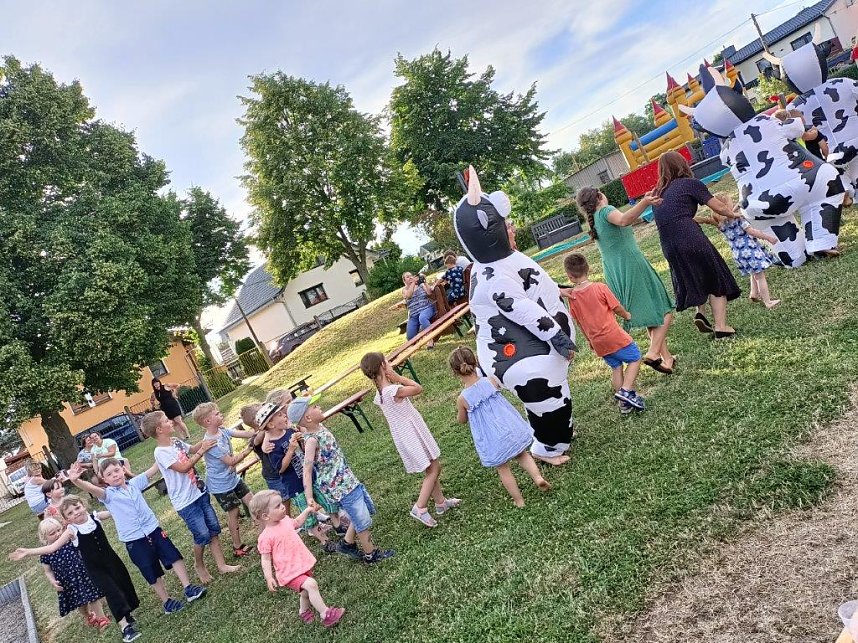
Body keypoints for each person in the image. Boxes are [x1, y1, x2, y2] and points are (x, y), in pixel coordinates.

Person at [67, 459, 208, 614]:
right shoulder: (108, 495)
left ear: (123, 470)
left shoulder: (135, 483)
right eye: (109, 474)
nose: (114, 475)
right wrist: (76, 480)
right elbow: (92, 489)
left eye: (116, 470)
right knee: (150, 569)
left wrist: (162, 452)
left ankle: (188, 588)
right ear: (104, 480)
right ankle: (167, 602)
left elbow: (154, 468)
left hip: (153, 529)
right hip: (134, 539)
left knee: (174, 556)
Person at [10, 495, 142, 642]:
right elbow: (52, 547)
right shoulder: (72, 530)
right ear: (67, 519)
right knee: (112, 592)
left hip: (112, 562)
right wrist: (28, 552)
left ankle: (127, 614)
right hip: (95, 570)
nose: (76, 513)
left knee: (123, 586)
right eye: (70, 513)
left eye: (77, 508)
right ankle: (125, 627)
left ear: (83, 505)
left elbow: (113, 511)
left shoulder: (95, 517)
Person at [575, 186, 676, 374]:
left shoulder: (593, 221)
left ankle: (666, 358)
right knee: (664, 308)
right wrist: (645, 202)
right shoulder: (605, 211)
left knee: (650, 313)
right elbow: (624, 220)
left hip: (615, 272)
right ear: (599, 196)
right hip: (632, 266)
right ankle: (653, 353)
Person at [287, 396, 395, 564]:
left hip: (347, 479)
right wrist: (309, 498)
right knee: (361, 518)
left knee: (360, 509)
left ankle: (347, 543)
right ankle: (370, 554)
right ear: (308, 418)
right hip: (339, 487)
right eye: (314, 406)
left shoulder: (319, 428)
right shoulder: (311, 441)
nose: (319, 406)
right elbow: (307, 471)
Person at [360, 352, 460, 527]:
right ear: (383, 366)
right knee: (434, 467)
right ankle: (420, 507)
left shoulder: (381, 393)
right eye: (387, 362)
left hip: (405, 435)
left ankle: (440, 503)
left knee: (430, 467)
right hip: (411, 433)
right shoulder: (393, 390)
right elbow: (418, 388)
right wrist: (398, 377)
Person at [141, 411, 241, 583]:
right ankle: (199, 565)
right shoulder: (160, 452)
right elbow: (183, 467)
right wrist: (201, 451)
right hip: (185, 502)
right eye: (166, 421)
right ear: (159, 429)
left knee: (214, 529)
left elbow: (192, 449)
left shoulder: (175, 441)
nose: (171, 421)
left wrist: (209, 438)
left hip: (199, 493)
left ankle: (222, 565)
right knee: (202, 535)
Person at [651, 151, 741, 338]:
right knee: (716, 277)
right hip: (689, 236)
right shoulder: (690, 184)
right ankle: (721, 326)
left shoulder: (657, 193)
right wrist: (734, 214)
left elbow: (676, 216)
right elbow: (718, 206)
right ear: (683, 164)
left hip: (668, 243)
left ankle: (701, 313)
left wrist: (704, 220)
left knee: (696, 276)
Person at [448, 346, 551, 507]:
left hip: (492, 438)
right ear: (475, 363)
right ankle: (538, 478)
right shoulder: (490, 381)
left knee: (502, 468)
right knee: (522, 454)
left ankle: (519, 501)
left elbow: (462, 420)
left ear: (455, 372)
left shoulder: (463, 398)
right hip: (509, 427)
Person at [562, 254, 646, 412]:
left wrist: (589, 340)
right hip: (613, 335)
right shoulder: (599, 288)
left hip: (597, 341)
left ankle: (624, 406)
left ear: (570, 276)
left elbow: (579, 322)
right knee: (635, 358)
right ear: (588, 268)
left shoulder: (572, 298)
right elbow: (616, 307)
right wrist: (627, 315)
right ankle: (626, 391)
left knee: (616, 367)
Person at [251, 490, 346, 628]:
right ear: (265, 516)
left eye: (281, 503)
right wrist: (269, 577)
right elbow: (265, 559)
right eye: (277, 506)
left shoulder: (285, 520)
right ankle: (326, 615)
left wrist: (307, 511)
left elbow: (297, 522)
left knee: (305, 592)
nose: (283, 506)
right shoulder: (265, 537)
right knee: (311, 584)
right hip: (288, 572)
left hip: (299, 565)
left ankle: (303, 611)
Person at [255, 402, 338, 551]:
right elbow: (280, 468)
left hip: (310, 477)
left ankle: (338, 526)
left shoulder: (289, 431)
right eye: (279, 415)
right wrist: (291, 449)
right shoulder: (271, 446)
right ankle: (324, 541)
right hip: (295, 486)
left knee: (327, 501)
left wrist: (300, 440)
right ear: (271, 424)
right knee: (309, 514)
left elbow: (304, 450)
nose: (284, 415)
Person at [192, 402, 256, 558]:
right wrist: (249, 448)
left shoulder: (222, 431)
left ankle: (267, 527)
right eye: (217, 414)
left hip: (232, 478)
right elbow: (231, 461)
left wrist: (257, 431)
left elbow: (242, 434)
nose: (221, 415)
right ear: (208, 421)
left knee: (251, 500)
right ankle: (237, 547)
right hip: (220, 485)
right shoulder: (211, 443)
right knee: (234, 511)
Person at [696, 196, 781, 309]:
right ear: (726, 208)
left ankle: (754, 293)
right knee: (760, 276)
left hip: (739, 254)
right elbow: (752, 231)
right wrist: (768, 237)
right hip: (750, 251)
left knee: (753, 272)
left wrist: (735, 207)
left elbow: (727, 214)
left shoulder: (720, 224)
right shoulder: (738, 220)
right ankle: (768, 301)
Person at [33, 517, 109, 631]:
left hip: (82, 573)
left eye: (59, 530)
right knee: (79, 601)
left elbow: (80, 550)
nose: (58, 534)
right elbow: (48, 571)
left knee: (93, 595)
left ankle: (102, 618)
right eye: (52, 533)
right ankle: (88, 616)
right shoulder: (45, 553)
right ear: (44, 537)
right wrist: (53, 582)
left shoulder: (68, 540)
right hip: (67, 580)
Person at [401, 271, 436, 346]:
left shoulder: (421, 285)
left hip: (426, 308)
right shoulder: (404, 290)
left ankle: (430, 339)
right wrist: (413, 283)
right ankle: (422, 329)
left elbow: (429, 292)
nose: (410, 277)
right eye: (407, 277)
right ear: (404, 281)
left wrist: (424, 281)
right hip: (413, 315)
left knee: (422, 318)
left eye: (411, 275)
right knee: (410, 338)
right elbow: (409, 295)